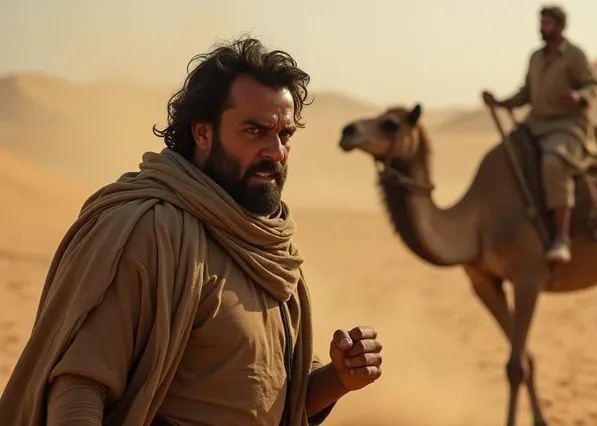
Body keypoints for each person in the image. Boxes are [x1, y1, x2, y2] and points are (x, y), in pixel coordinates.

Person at [0, 35, 383, 426]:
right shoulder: (150, 230)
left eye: (284, 135)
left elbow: (274, 401)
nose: (277, 152)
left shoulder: (271, 248)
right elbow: (79, 384)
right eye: (255, 131)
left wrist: (339, 378)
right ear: (202, 133)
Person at [482, 5, 597, 264]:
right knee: (505, 156)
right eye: (541, 23)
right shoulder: (535, 57)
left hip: (567, 125)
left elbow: (593, 85)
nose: (542, 28)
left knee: (552, 163)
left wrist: (579, 96)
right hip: (536, 123)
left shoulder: (574, 55)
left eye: (547, 24)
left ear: (560, 27)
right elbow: (526, 92)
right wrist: (501, 102)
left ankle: (562, 238)